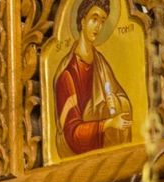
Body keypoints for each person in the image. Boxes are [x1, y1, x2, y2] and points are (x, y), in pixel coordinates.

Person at [54, 0, 132, 156]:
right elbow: (72, 134)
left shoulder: (100, 63)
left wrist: (115, 102)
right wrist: (108, 123)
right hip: (79, 161)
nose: (98, 26)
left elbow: (122, 99)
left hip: (108, 153)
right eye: (94, 19)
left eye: (102, 21)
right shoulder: (68, 75)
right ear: (82, 21)